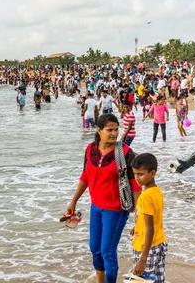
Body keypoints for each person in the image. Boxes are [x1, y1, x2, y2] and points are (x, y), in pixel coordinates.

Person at [66, 113, 141, 283]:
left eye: (116, 129)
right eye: (110, 130)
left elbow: (136, 186)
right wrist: (74, 201)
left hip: (116, 210)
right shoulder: (90, 149)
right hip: (96, 207)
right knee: (95, 249)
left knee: (107, 250)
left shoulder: (126, 153)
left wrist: (139, 215)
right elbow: (85, 175)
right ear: (99, 131)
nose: (114, 133)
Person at [131, 153, 168, 282]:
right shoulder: (156, 191)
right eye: (135, 174)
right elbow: (152, 218)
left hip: (146, 247)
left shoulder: (145, 196)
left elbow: (150, 228)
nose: (137, 178)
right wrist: (136, 226)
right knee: (157, 279)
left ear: (152, 173)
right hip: (159, 242)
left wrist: (143, 259)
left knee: (142, 280)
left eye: (140, 174)